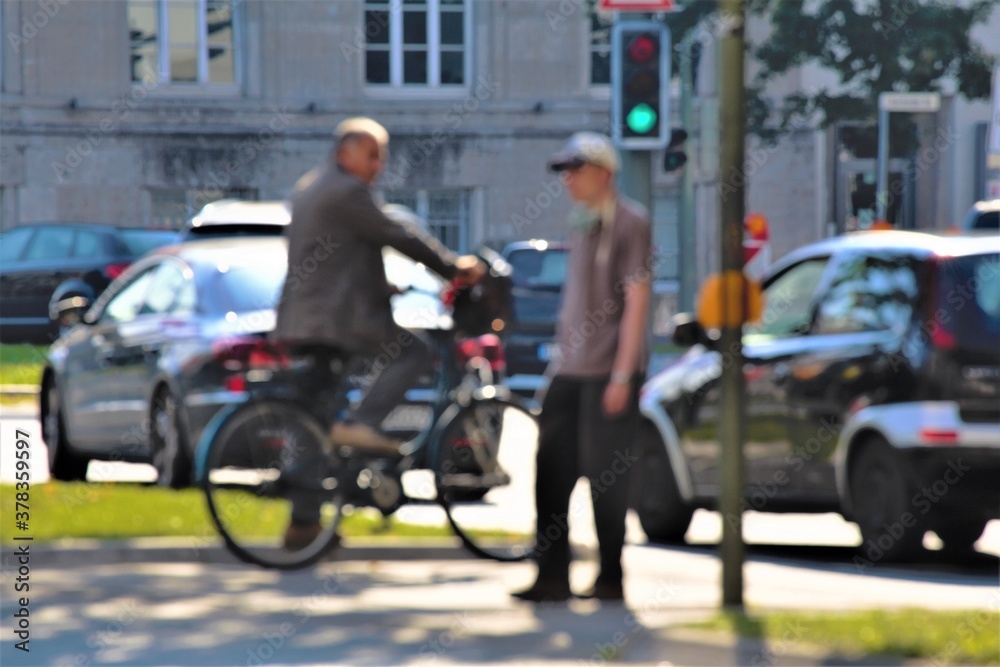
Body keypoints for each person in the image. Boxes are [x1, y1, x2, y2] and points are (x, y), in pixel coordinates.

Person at [273, 117, 484, 548]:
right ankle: (362, 423)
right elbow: (395, 233)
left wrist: (381, 285)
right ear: (344, 153)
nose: (378, 166)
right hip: (334, 320)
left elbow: (335, 253)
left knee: (316, 417)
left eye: (381, 158)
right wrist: (452, 266)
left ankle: (304, 526)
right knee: (413, 352)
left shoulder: (311, 186)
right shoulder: (346, 191)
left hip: (310, 316)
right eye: (371, 156)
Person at [512, 132, 653, 604]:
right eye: (564, 171)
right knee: (550, 468)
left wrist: (621, 375)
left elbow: (636, 303)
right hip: (570, 368)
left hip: (609, 372)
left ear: (604, 173)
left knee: (607, 477)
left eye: (576, 170)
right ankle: (551, 576)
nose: (568, 179)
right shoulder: (581, 222)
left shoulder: (631, 222)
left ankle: (610, 578)